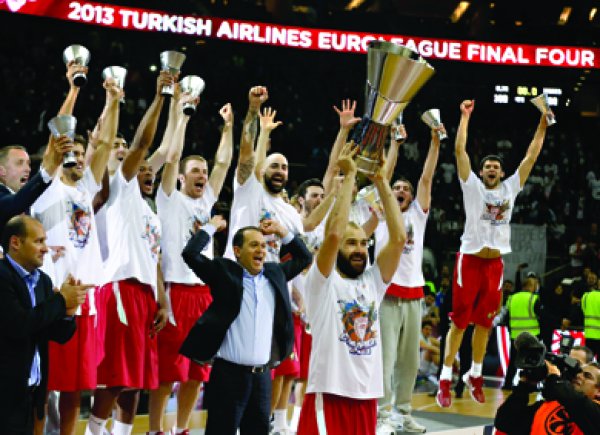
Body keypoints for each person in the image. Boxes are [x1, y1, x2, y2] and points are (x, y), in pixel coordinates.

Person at [437, 99, 550, 408]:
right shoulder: (472, 186)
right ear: (481, 171)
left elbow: (531, 155)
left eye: (495, 167)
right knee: (460, 323)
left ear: (501, 172)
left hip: (495, 264)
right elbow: (459, 150)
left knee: (485, 324)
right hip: (470, 260)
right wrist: (464, 117)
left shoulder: (510, 188)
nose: (491, 169)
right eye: (487, 166)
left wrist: (542, 124)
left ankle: (474, 374)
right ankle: (445, 377)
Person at [85, 71, 174, 435]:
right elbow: (143, 143)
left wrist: (162, 299)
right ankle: (93, 430)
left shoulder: (147, 210)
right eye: (118, 148)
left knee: (136, 380)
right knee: (116, 376)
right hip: (119, 286)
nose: (146, 168)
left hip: (144, 293)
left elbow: (153, 256)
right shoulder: (115, 189)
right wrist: (161, 97)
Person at [297, 142, 406, 435]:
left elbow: (398, 239)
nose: (359, 249)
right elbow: (333, 234)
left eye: (362, 243)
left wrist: (381, 180)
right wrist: (349, 178)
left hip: (367, 397)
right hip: (329, 395)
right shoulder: (321, 282)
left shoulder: (373, 282)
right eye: (351, 243)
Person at [179, 217, 312, 435]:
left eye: (263, 245)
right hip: (228, 376)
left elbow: (305, 257)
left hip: (262, 379)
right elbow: (190, 254)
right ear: (237, 251)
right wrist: (211, 227)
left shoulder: (275, 273)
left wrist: (282, 231)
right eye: (253, 245)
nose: (261, 250)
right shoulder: (224, 273)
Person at [149, 99, 233, 435]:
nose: (202, 175)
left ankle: (182, 428)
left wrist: (228, 127)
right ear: (182, 177)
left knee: (198, 371)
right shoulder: (169, 198)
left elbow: (223, 163)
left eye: (203, 171)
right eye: (195, 170)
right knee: (168, 370)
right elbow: (171, 158)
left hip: (204, 294)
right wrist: (182, 119)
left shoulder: (207, 200)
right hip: (176, 290)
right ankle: (155, 429)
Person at [362, 121, 442, 432]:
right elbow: (382, 176)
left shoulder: (417, 215)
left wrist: (435, 142)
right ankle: (382, 415)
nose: (401, 191)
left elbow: (426, 178)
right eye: (396, 188)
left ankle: (403, 412)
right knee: (385, 358)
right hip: (384, 291)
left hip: (414, 293)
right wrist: (394, 144)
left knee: (410, 360)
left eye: (405, 189)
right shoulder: (380, 213)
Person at [0, 215, 91, 435]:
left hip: (31, 396)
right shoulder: (2, 277)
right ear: (15, 242)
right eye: (38, 241)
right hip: (5, 395)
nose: (45, 249)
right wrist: (60, 301)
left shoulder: (43, 280)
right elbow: (19, 325)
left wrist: (68, 312)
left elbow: (55, 334)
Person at [495, 361, 600, 434]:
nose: (579, 376)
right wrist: (525, 385)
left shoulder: (595, 412)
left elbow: (578, 403)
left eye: (587, 376)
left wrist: (555, 378)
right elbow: (505, 423)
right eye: (578, 372)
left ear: (598, 391)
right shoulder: (548, 405)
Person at [502, 277, 541, 390]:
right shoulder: (534, 298)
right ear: (530, 286)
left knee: (513, 361)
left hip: (516, 335)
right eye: (534, 285)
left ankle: (507, 384)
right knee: (532, 361)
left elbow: (506, 316)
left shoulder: (511, 298)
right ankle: (530, 384)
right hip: (532, 335)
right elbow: (540, 316)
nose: (536, 288)